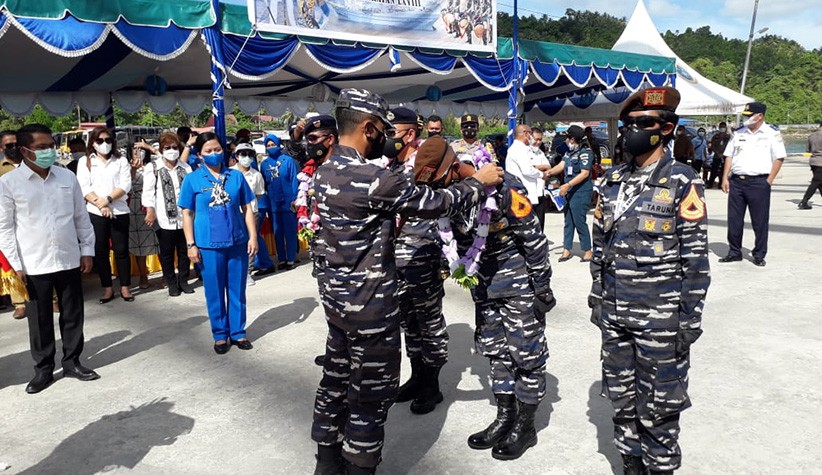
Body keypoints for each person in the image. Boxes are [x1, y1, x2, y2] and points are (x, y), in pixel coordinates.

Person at [310, 88, 503, 475]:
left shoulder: (324, 171)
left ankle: (326, 464)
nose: (387, 137)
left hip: (336, 306)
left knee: (334, 383)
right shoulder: (373, 178)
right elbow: (439, 203)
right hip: (371, 310)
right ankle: (358, 468)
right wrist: (478, 181)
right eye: (382, 129)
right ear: (368, 128)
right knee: (369, 398)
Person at [589, 87, 710, 475]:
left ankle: (660, 468)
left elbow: (695, 259)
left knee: (659, 406)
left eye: (643, 124)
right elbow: (600, 244)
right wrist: (598, 299)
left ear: (667, 128)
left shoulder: (681, 181)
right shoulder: (613, 179)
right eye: (628, 124)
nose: (631, 131)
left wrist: (688, 320)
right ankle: (630, 464)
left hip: (660, 317)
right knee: (621, 398)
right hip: (615, 313)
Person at [413, 136, 555, 461]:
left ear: (452, 171)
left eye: (440, 182)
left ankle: (525, 424)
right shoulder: (449, 199)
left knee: (527, 354)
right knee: (495, 351)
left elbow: (533, 239)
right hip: (484, 285)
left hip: (518, 281)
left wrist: (542, 286)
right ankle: (504, 416)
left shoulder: (502, 187)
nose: (439, 191)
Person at [0, 124, 99, 394]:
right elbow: (5, 227)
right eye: (41, 147)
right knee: (40, 319)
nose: (49, 151)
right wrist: (15, 265)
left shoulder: (67, 177)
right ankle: (43, 369)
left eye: (51, 145)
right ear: (24, 150)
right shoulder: (9, 183)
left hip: (68, 257)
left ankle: (72, 362)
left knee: (73, 314)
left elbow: (81, 216)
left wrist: (87, 249)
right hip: (33, 264)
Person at [384, 107, 447, 415]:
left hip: (423, 254)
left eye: (391, 132)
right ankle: (417, 375)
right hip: (396, 258)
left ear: (409, 134)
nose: (385, 139)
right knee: (408, 320)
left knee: (429, 321)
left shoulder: (428, 164)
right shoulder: (390, 165)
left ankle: (432, 385)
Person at [178, 132, 258, 354]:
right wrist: (190, 244)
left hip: (237, 242)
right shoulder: (192, 179)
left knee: (237, 290)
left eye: (217, 149)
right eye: (208, 151)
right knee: (214, 291)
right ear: (200, 155)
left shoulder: (235, 177)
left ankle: (238, 332)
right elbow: (187, 213)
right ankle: (220, 334)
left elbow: (247, 208)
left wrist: (252, 236)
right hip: (208, 245)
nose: (214, 154)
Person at [720, 101, 786, 267]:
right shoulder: (738, 133)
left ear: (760, 116)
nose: (746, 118)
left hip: (759, 182)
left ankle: (759, 254)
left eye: (750, 116)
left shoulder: (772, 133)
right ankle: (734, 252)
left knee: (760, 221)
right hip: (737, 182)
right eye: (746, 115)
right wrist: (725, 177)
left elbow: (779, 157)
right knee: (734, 219)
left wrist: (769, 181)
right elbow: (729, 155)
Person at [76, 126, 135, 303]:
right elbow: (84, 187)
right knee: (100, 251)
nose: (104, 144)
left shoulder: (121, 160)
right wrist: (101, 205)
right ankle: (107, 288)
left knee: (121, 250)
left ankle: (125, 286)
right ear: (93, 143)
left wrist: (107, 200)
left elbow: (125, 185)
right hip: (95, 212)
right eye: (100, 141)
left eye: (108, 140)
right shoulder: (85, 162)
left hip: (119, 210)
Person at [142, 133, 194, 297]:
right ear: (161, 149)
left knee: (184, 250)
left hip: (184, 216)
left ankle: (184, 281)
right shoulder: (154, 167)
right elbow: (148, 192)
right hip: (164, 217)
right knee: (166, 252)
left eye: (174, 147)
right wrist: (150, 210)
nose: (171, 150)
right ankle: (171, 282)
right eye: (167, 148)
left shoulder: (185, 167)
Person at [545, 125, 594, 262]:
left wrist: (568, 184)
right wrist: (548, 173)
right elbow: (561, 166)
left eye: (567, 138)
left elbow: (585, 173)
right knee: (568, 221)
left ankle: (587, 250)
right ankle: (567, 249)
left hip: (580, 191)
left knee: (579, 221)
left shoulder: (585, 153)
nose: (566, 140)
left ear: (573, 139)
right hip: (568, 191)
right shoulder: (569, 153)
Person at [260, 134, 300, 270]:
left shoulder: (288, 161)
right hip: (273, 204)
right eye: (268, 145)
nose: (271, 147)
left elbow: (294, 180)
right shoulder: (264, 164)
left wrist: (295, 199)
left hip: (289, 202)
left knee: (290, 231)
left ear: (279, 144)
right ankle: (281, 258)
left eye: (273, 144)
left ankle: (291, 258)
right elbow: (264, 184)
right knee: (277, 232)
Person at [232, 142, 267, 286]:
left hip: (252, 212)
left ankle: (247, 273)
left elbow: (258, 194)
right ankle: (234, 272)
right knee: (235, 242)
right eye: (243, 154)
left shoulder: (257, 175)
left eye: (249, 154)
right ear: (237, 156)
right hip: (234, 212)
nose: (246, 157)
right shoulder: (229, 173)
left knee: (251, 241)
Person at [504, 124, 550, 231]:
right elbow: (528, 170)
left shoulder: (519, 148)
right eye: (531, 135)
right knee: (528, 228)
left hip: (529, 193)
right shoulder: (519, 149)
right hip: (523, 194)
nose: (532, 139)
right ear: (526, 134)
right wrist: (542, 175)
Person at [129, 141, 160, 289]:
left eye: (141, 149)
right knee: (139, 244)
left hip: (154, 204)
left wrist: (150, 148)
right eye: (135, 149)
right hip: (135, 205)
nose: (138, 152)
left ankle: (167, 275)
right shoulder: (124, 164)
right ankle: (143, 275)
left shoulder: (153, 164)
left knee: (159, 241)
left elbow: (164, 158)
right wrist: (133, 170)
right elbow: (125, 185)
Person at [798, 122, 822, 209]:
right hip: (821, 162)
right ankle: (804, 201)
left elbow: (808, 150)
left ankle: (804, 201)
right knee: (816, 182)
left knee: (819, 182)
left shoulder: (811, 136)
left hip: (813, 161)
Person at [530, 128, 551, 229]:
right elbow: (526, 169)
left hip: (540, 192)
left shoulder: (540, 153)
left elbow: (548, 167)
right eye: (536, 139)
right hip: (528, 194)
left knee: (540, 223)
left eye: (540, 139)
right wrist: (541, 167)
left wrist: (535, 167)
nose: (538, 142)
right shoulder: (524, 152)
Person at [706, 122, 731, 189]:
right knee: (713, 171)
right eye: (721, 127)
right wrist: (717, 153)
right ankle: (710, 184)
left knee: (723, 171)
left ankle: (721, 184)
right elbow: (712, 146)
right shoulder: (716, 136)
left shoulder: (728, 137)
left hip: (725, 157)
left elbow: (730, 147)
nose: (722, 128)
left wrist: (723, 154)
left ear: (725, 128)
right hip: (716, 156)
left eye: (723, 127)